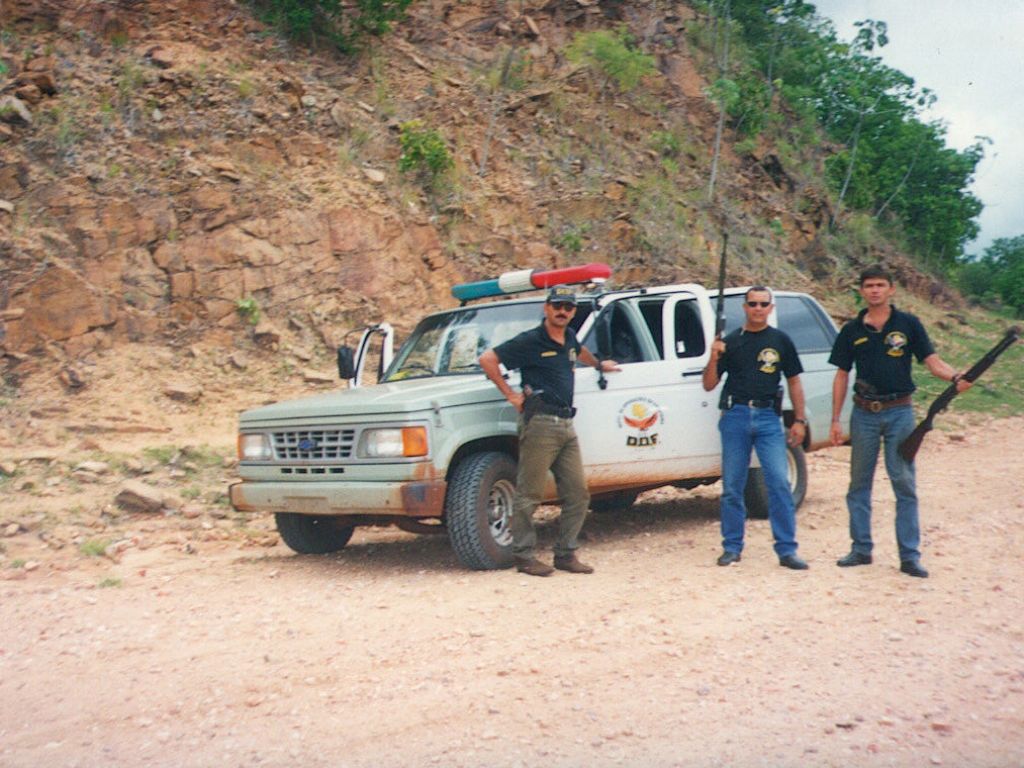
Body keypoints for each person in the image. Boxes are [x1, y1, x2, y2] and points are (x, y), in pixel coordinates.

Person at [829, 265, 971, 578]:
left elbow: (932, 362)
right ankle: (861, 549)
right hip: (863, 413)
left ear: (891, 289)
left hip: (899, 412)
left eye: (880, 285)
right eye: (869, 286)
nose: (875, 290)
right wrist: (836, 419)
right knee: (858, 484)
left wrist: (956, 376)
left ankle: (909, 556)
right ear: (861, 291)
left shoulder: (908, 324)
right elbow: (841, 375)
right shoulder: (851, 330)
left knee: (903, 482)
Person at [478, 286, 620, 577]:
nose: (563, 311)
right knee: (529, 494)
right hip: (540, 423)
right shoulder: (530, 340)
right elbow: (488, 360)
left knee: (578, 493)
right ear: (546, 307)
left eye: (569, 307)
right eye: (557, 305)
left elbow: (577, 351)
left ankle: (566, 554)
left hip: (566, 425)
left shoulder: (568, 336)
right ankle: (524, 556)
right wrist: (510, 395)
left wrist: (598, 365)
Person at [702, 286, 809, 570]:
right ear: (744, 307)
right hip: (735, 416)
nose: (758, 308)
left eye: (763, 304)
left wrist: (799, 420)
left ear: (771, 308)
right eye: (753, 304)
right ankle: (732, 547)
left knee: (778, 483)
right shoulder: (731, 341)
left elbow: (795, 381)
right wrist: (713, 356)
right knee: (732, 487)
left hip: (767, 419)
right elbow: (709, 384)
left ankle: (787, 550)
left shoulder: (780, 340)